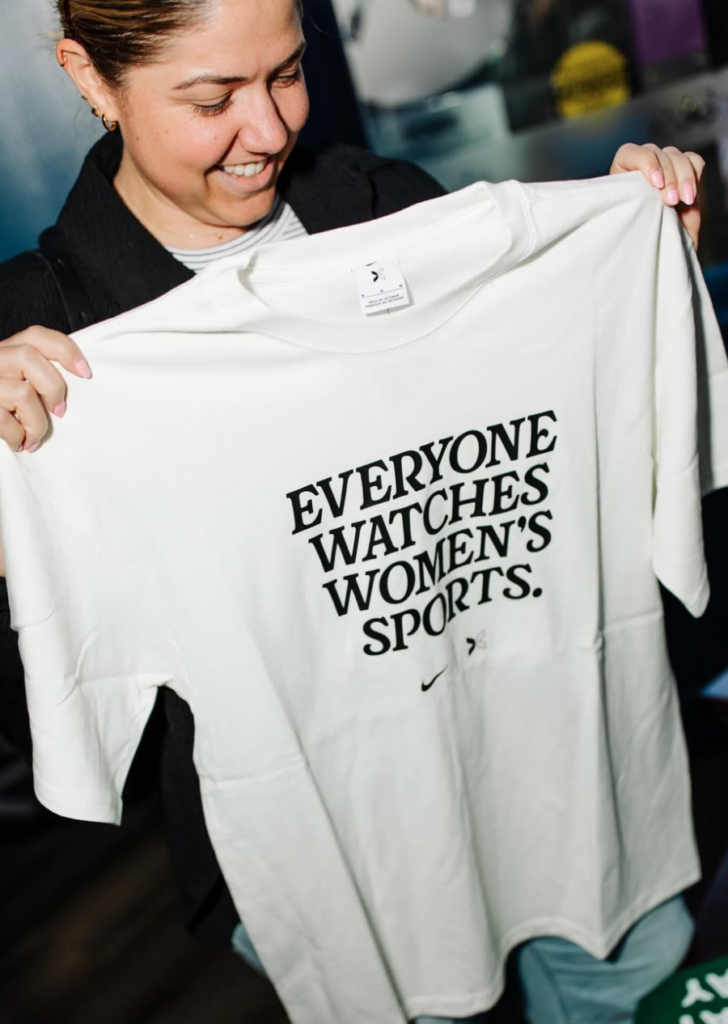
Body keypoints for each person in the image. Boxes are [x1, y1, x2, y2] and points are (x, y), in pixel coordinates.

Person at [0, 1, 708, 1021]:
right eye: (213, 99)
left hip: (560, 768)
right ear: (90, 76)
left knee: (625, 990)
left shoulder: (399, 207)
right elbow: (60, 686)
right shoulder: (52, 340)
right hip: (340, 849)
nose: (269, 129)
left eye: (287, 74)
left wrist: (629, 262)